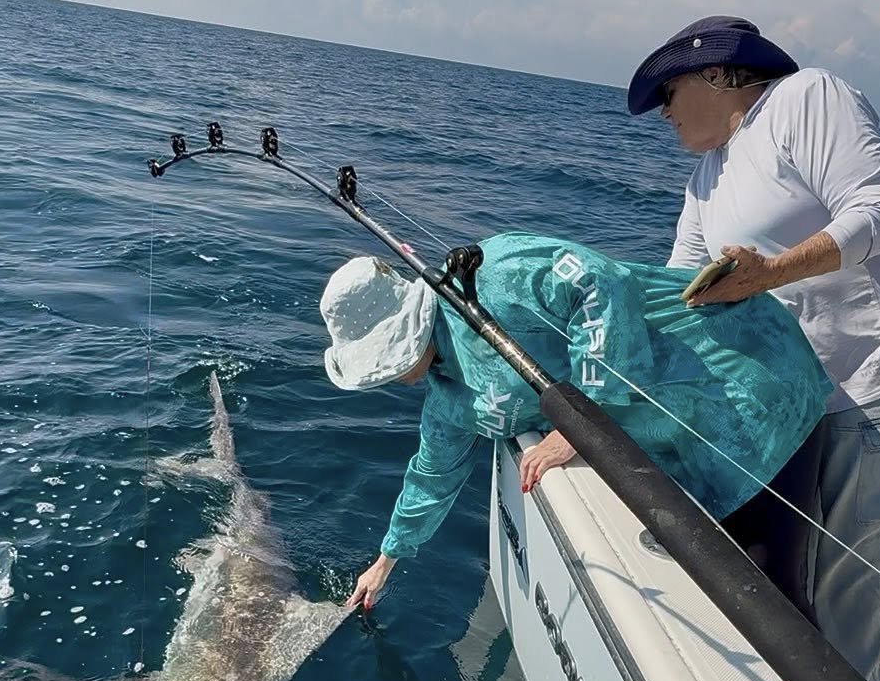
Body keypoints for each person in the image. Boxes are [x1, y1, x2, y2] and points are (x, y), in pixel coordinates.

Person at [626, 15, 880, 681]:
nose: (660, 112)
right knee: (789, 566)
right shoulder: (705, 179)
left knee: (843, 579)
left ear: (715, 72)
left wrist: (771, 273)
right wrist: (606, 398)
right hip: (791, 392)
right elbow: (673, 297)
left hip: (873, 372)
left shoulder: (803, 98)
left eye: (666, 91)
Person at [321, 234, 833, 613]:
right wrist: (386, 560)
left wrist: (579, 421)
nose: (388, 377)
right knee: (727, 595)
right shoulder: (448, 396)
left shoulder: (492, 277)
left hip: (754, 387)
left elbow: (598, 281)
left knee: (773, 597)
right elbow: (431, 475)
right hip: (684, 445)